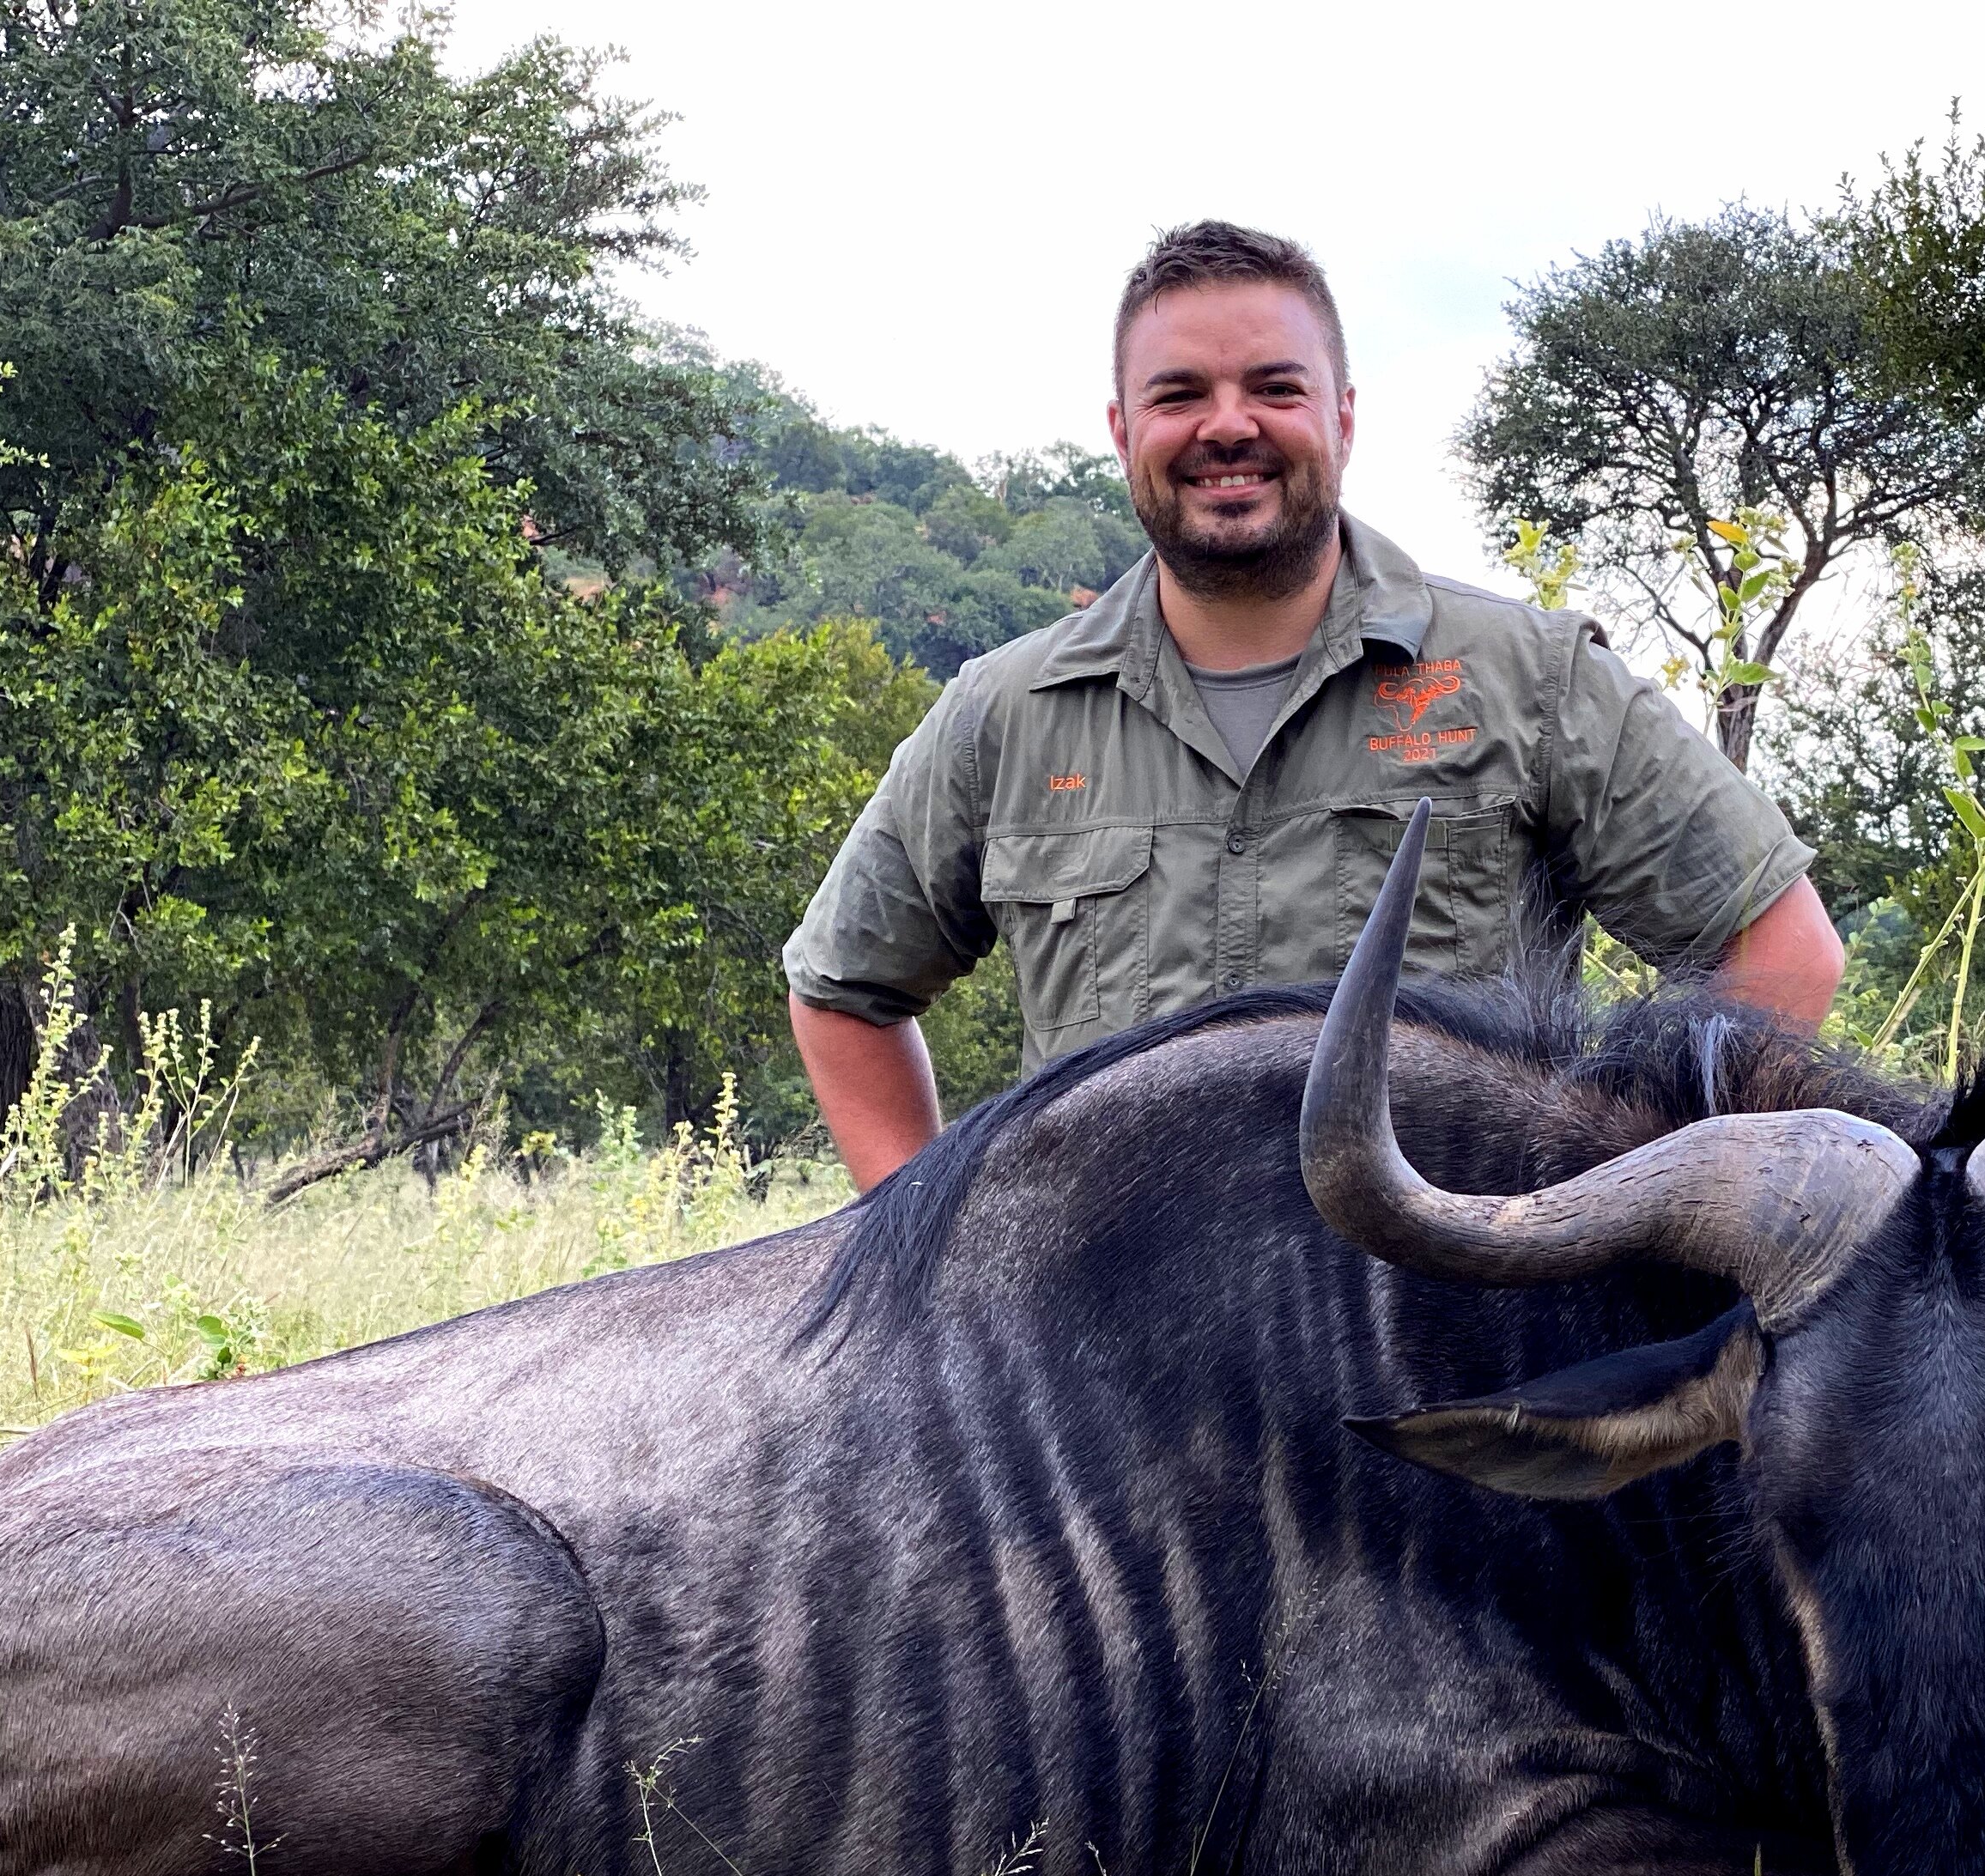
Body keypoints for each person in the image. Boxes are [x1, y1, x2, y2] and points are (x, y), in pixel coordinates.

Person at [780, 220, 1845, 1189]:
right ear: (1121, 429)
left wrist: (1611, 1215)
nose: (1227, 425)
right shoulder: (1005, 712)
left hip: (1450, 1359)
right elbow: (842, 992)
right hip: (1108, 1376)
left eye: (1275, 388)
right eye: (1179, 394)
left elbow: (1781, 949)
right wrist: (932, 1266)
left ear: (1341, 415)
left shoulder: (1533, 678)